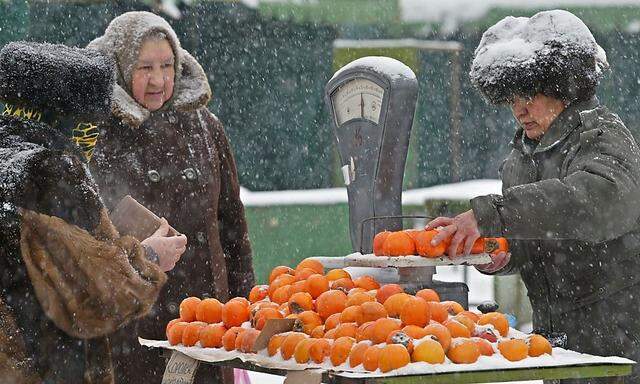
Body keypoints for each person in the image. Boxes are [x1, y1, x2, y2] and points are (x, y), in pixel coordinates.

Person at [428, 9, 640, 384]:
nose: (519, 109)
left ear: (564, 86)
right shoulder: (519, 160)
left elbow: (598, 203)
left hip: (622, 347)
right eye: (510, 98)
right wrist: (500, 253)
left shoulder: (602, 136)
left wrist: (493, 214)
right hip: (556, 349)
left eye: (528, 94)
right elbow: (539, 242)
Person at [0, 41, 185, 383]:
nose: (93, 136)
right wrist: (149, 258)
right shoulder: (51, 171)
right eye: (90, 123)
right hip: (42, 364)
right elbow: (92, 295)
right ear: (70, 116)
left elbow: (43, 259)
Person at [87, 11, 255, 383]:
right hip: (132, 325)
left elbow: (232, 227)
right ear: (119, 64)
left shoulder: (205, 126)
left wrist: (247, 307)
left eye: (167, 65)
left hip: (207, 321)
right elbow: (83, 238)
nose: (159, 80)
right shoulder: (94, 133)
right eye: (145, 67)